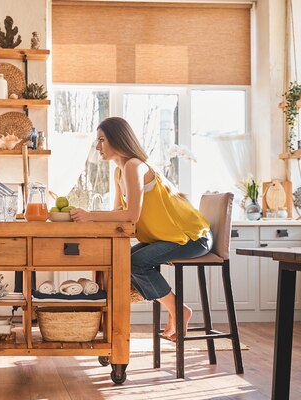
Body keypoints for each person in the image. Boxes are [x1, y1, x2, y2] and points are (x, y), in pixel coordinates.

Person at [69, 117, 212, 340]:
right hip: (168, 238)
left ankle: (178, 310)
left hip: (193, 238)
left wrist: (89, 217)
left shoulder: (134, 166)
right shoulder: (119, 173)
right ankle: (174, 310)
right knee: (121, 260)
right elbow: (118, 216)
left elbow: (131, 215)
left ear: (118, 139)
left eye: (102, 140)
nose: (97, 147)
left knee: (134, 263)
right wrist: (89, 219)